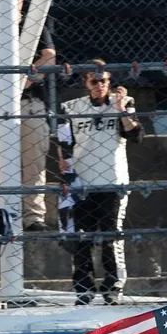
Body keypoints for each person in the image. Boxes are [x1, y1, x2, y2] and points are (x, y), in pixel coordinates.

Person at [56, 60, 142, 305]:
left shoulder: (124, 102)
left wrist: (120, 108)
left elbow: (136, 135)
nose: (100, 86)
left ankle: (113, 285)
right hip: (81, 180)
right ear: (86, 82)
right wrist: (68, 172)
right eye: (94, 81)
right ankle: (83, 287)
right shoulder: (70, 107)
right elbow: (63, 144)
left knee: (110, 235)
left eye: (104, 81)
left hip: (113, 180)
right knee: (81, 236)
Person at [0, 0, 56, 231]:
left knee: (33, 162)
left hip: (29, 101)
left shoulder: (34, 26)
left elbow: (49, 56)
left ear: (22, 1)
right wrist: (7, 78)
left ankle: (33, 217)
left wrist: (24, 77)